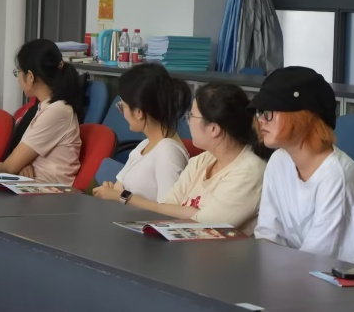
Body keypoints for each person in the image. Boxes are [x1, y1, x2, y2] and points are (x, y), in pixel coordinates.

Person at [253, 66, 354, 265]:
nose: (261, 120)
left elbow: (320, 263)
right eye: (260, 112)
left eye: (269, 111)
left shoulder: (337, 178)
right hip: (300, 274)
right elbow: (268, 236)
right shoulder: (278, 162)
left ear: (303, 116)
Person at [111, 82, 266, 235]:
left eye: (191, 116)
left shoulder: (250, 171)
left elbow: (206, 226)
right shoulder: (202, 160)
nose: (188, 121)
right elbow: (165, 208)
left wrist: (188, 214)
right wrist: (192, 213)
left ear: (213, 129)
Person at [93, 63, 191, 202]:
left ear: (139, 112)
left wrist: (118, 196)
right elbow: (120, 190)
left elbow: (168, 210)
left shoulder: (168, 153)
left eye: (122, 106)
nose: (122, 112)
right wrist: (111, 191)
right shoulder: (145, 145)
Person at [0, 39, 83, 185]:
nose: (18, 78)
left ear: (30, 76)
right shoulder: (46, 107)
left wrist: (0, 165)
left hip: (48, 193)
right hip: (32, 187)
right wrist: (23, 164)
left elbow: (9, 167)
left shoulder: (57, 111)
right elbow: (17, 161)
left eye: (18, 72)